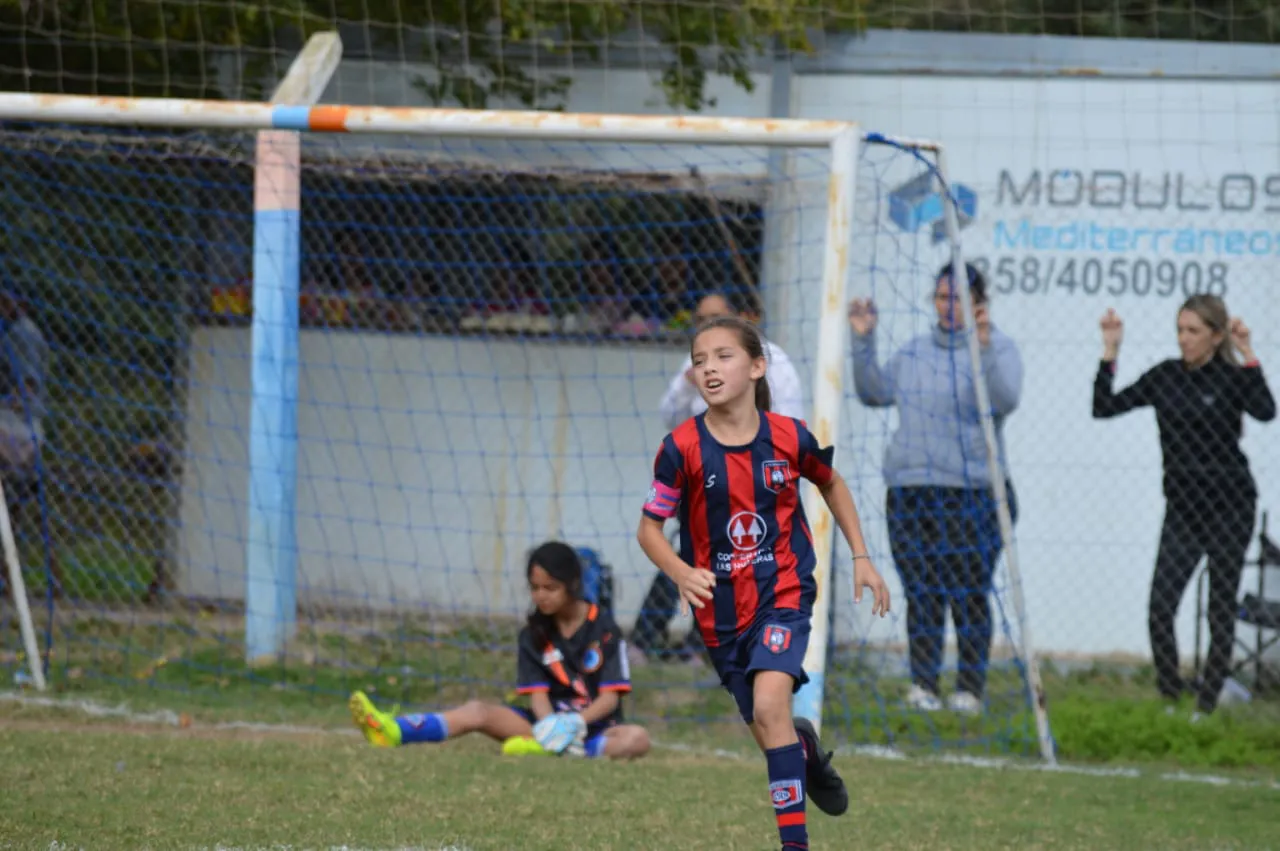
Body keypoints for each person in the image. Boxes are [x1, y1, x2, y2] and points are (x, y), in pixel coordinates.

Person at [636, 315, 890, 851]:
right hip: (720, 611)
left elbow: (832, 483)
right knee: (767, 728)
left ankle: (793, 846)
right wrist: (680, 571)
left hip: (783, 591)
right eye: (699, 360)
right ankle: (802, 750)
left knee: (771, 705)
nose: (708, 368)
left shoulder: (789, 437)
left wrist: (862, 556)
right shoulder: (680, 448)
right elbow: (649, 529)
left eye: (723, 356)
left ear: (756, 367)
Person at [847, 262, 1023, 715]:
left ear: (980, 304)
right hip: (910, 491)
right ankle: (923, 685)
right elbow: (873, 392)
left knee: (968, 592)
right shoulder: (914, 352)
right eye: (943, 297)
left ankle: (969, 690)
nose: (949, 307)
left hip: (972, 494)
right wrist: (863, 339)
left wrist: (982, 348)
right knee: (921, 591)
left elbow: (1005, 400)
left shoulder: (998, 347)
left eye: (960, 298)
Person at [1092, 295, 1275, 715]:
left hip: (1230, 509)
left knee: (1219, 609)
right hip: (1183, 512)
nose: (1184, 339)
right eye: (1180, 330)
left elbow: (1266, 411)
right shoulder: (1165, 376)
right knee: (1160, 607)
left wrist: (1248, 353)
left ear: (1215, 336)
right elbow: (1103, 407)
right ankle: (1171, 699)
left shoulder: (1231, 377)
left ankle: (1205, 708)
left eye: (1193, 331)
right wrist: (1110, 351)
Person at [349, 540, 651, 760]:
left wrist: (573, 724)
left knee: (637, 740)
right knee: (477, 711)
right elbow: (538, 694)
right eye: (535, 588)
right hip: (540, 727)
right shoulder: (533, 633)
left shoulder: (605, 629)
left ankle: (562, 751)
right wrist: (549, 727)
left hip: (593, 728)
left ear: (572, 584)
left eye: (550, 588)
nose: (541, 596)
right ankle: (393, 731)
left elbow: (611, 697)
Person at [631, 292, 805, 666]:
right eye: (701, 319)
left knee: (734, 565)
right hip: (701, 479)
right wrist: (686, 384)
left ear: (748, 317)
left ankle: (703, 645)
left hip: (752, 485)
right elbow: (669, 415)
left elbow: (788, 431)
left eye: (716, 317)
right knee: (685, 554)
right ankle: (645, 638)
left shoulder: (776, 363)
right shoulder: (698, 362)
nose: (706, 327)